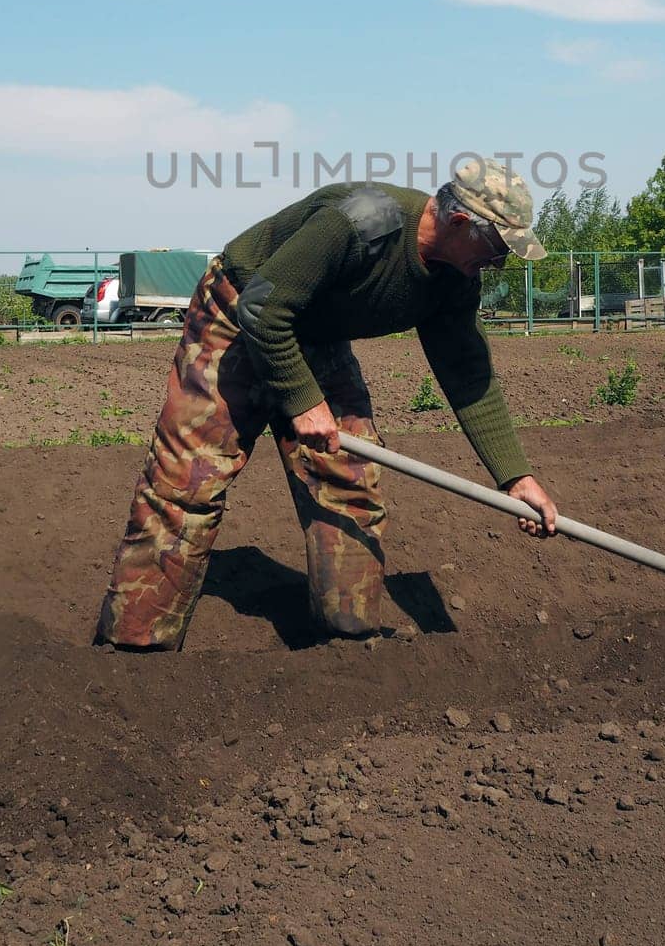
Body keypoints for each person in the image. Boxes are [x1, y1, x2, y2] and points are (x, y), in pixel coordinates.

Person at [95, 156, 558, 651]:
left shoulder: (455, 277)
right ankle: (133, 651)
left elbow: (467, 371)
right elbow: (264, 309)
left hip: (315, 334)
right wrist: (302, 399)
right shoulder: (362, 222)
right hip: (239, 311)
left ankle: (348, 646)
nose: (500, 263)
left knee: (349, 478)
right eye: (497, 248)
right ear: (460, 222)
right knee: (187, 482)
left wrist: (515, 476)